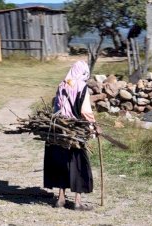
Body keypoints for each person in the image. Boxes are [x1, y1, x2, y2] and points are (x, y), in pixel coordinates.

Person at [43, 60, 101, 211]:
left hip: (60, 129)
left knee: (61, 163)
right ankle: (77, 202)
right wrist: (94, 127)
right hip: (75, 132)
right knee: (78, 165)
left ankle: (60, 199)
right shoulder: (82, 87)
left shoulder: (62, 84)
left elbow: (56, 107)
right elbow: (85, 111)